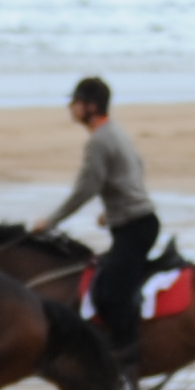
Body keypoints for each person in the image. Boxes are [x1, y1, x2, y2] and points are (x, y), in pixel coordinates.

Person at [33, 74, 158, 349]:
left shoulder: (98, 141)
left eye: (76, 102)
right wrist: (113, 212)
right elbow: (134, 169)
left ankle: (127, 357)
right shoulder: (115, 130)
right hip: (137, 223)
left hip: (134, 228)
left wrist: (50, 222)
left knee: (112, 294)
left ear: (91, 107)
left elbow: (85, 189)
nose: (71, 108)